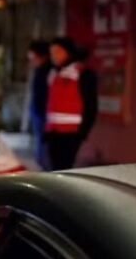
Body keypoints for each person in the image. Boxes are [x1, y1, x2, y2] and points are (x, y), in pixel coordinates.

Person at [44, 37, 98, 170]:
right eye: (52, 52)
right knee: (54, 169)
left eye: (58, 51)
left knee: (65, 168)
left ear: (68, 52)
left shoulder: (83, 74)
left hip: (71, 133)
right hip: (53, 132)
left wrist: (83, 132)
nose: (54, 56)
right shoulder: (52, 73)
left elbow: (91, 106)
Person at [24, 40, 53, 170]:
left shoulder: (48, 71)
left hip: (44, 113)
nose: (31, 61)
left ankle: (44, 168)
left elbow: (45, 95)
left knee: (43, 145)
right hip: (38, 111)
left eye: (33, 57)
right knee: (39, 142)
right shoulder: (40, 70)